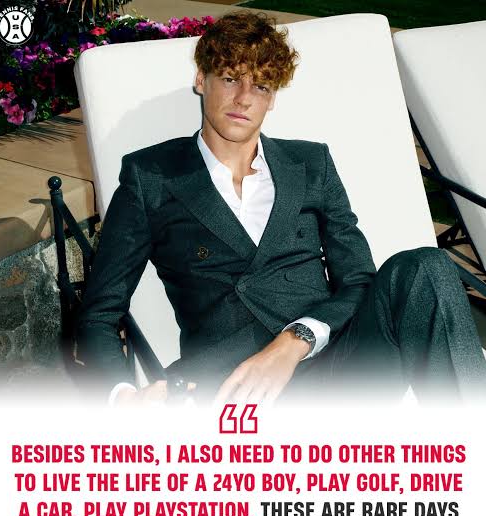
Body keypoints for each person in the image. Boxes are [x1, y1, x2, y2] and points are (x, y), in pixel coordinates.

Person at [75, 11, 486, 407]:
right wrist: (124, 397)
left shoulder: (310, 164)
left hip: (337, 366)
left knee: (427, 265)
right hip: (229, 386)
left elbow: (359, 281)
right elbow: (99, 312)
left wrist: (294, 342)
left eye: (261, 86)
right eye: (231, 78)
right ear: (202, 79)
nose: (243, 99)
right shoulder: (152, 176)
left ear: (272, 99)